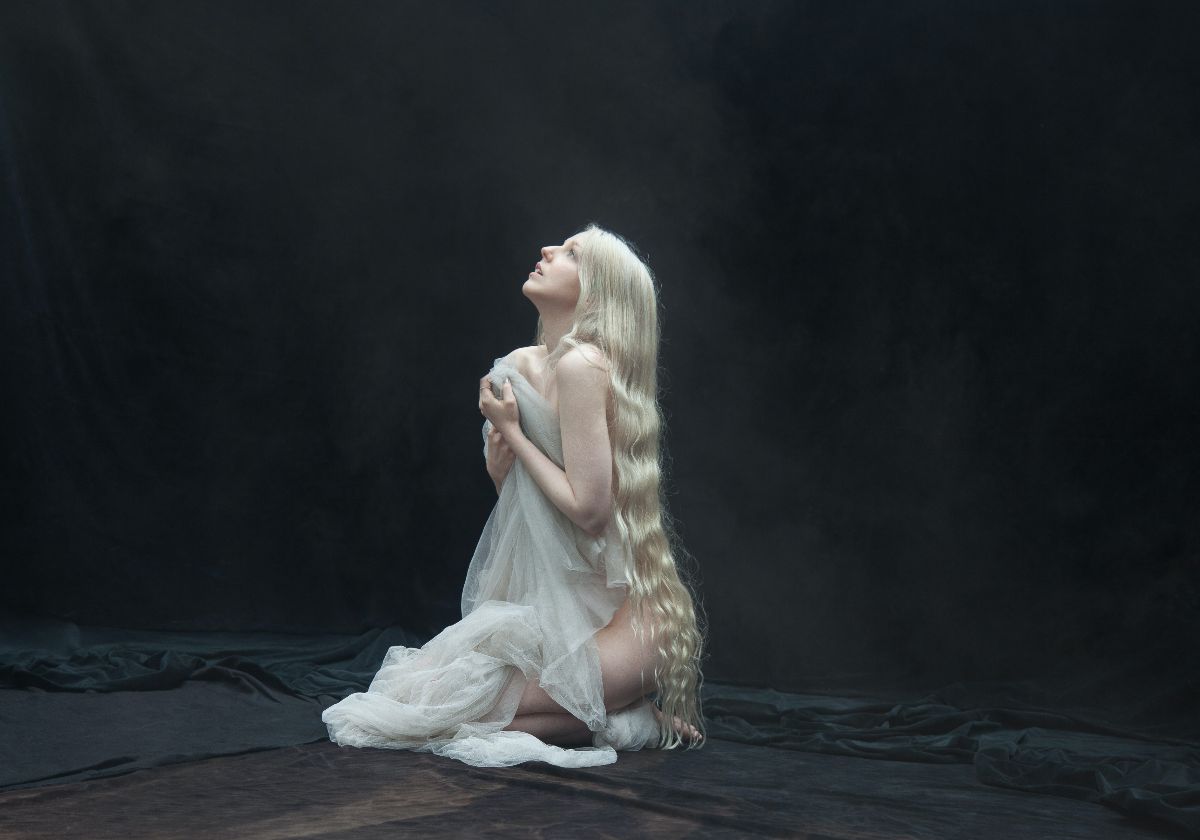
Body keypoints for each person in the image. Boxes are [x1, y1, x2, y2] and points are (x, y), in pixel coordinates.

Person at [321, 223, 707, 768]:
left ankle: (624, 709)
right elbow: (543, 524)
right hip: (567, 613)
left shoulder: (582, 364)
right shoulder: (521, 366)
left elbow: (591, 514)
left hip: (632, 625)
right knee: (425, 700)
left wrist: (515, 437)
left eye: (571, 253)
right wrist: (501, 474)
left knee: (449, 707)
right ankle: (625, 715)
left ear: (596, 293)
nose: (547, 250)